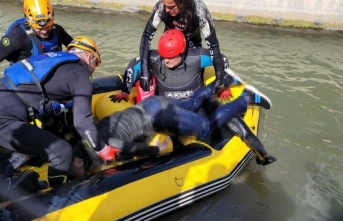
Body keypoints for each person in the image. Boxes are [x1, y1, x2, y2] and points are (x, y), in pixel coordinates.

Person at [112, 29, 277, 166]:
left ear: (182, 52)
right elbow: (134, 64)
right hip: (170, 107)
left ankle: (259, 151)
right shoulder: (155, 58)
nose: (166, 61)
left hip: (198, 102)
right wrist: (125, 90)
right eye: (164, 57)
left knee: (227, 117)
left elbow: (221, 59)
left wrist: (223, 83)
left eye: (171, 57)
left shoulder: (197, 57)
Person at [0, 36, 113, 188]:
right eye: (96, 63)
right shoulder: (81, 73)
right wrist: (102, 148)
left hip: (6, 98)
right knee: (61, 151)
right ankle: (56, 196)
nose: (94, 69)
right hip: (4, 118)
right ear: (89, 56)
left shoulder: (51, 59)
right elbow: (82, 122)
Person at [96, 83, 267, 162]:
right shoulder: (91, 129)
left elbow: (134, 148)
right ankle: (220, 84)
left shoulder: (103, 146)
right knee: (191, 104)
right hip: (149, 104)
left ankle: (245, 99)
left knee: (205, 127)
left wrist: (156, 150)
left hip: (157, 118)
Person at [139, 0, 226, 95]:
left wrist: (219, 77)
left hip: (193, 44)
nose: (167, 10)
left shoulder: (199, 10)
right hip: (171, 43)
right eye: (165, 6)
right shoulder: (161, 7)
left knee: (196, 75)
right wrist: (144, 70)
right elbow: (146, 36)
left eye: (171, 7)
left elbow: (213, 45)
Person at [0, 0, 73, 64]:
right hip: (27, 78)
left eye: (48, 26)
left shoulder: (57, 31)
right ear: (29, 22)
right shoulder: (16, 37)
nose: (44, 31)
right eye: (39, 28)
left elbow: (75, 48)